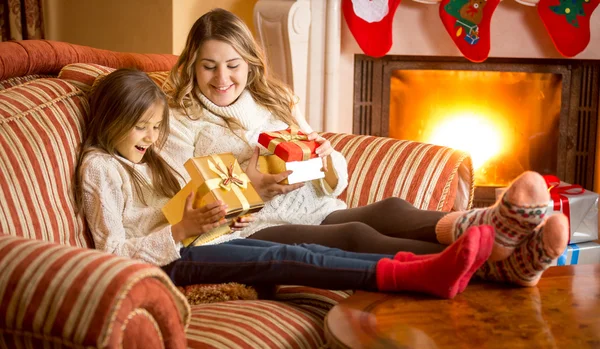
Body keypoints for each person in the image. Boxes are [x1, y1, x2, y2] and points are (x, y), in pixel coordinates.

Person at [162, 8, 570, 288]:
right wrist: (251, 187)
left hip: (311, 205)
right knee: (355, 233)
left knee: (391, 208)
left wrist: (323, 157)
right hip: (252, 228)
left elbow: (331, 167)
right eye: (208, 66)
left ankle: (489, 230)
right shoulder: (179, 120)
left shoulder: (272, 101)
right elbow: (180, 203)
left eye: (232, 65)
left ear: (249, 63)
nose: (221, 79)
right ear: (192, 65)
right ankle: (491, 266)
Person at [75, 68, 496, 299]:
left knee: (304, 249)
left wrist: (221, 217)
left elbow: (169, 211)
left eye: (154, 127)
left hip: (197, 242)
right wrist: (184, 229)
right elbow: (111, 251)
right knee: (289, 258)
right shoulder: (99, 168)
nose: (150, 138)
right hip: (169, 260)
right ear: (110, 121)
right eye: (141, 128)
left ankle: (439, 260)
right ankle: (413, 276)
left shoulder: (141, 159)